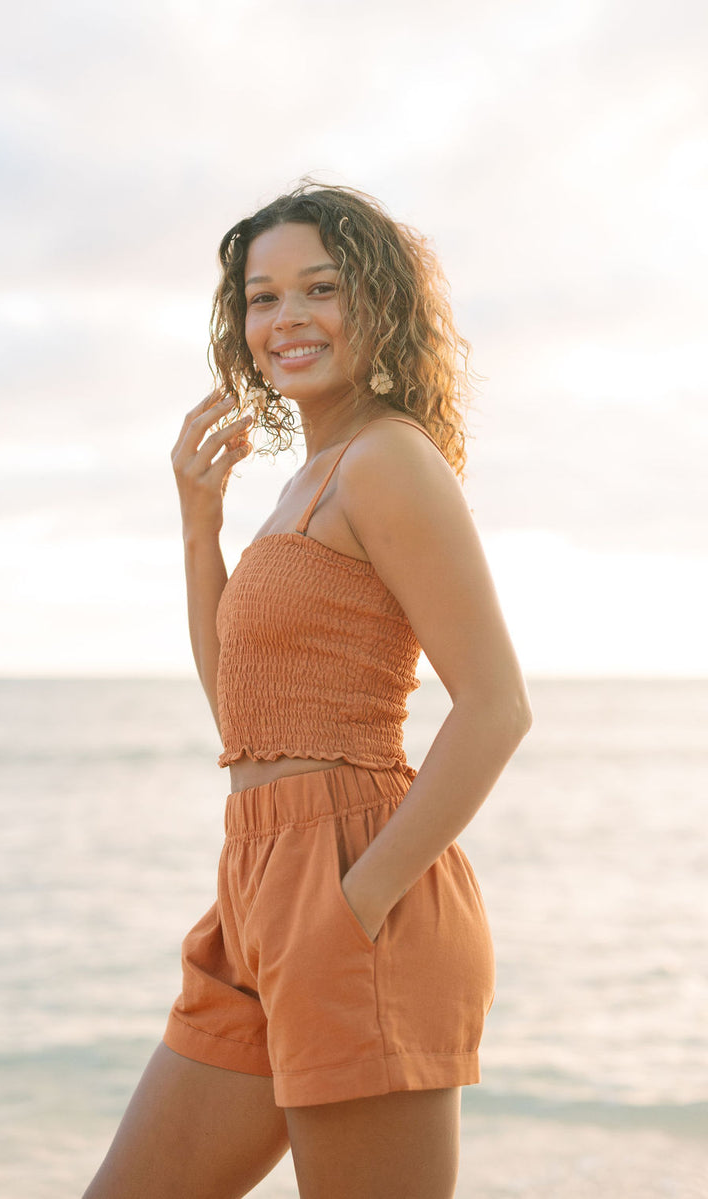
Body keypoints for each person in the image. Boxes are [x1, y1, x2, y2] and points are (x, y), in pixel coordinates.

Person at [83, 183, 533, 1199]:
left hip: (353, 874)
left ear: (374, 304)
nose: (285, 319)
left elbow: (495, 704)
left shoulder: (387, 460)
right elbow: (242, 721)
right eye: (261, 296)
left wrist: (357, 898)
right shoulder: (306, 479)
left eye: (317, 288)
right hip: (254, 880)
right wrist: (200, 524)